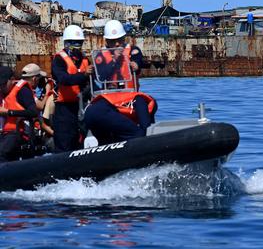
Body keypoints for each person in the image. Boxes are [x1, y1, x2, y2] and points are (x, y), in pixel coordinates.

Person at [83, 20, 156, 145]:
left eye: (119, 40)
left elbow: (138, 61)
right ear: (106, 41)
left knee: (144, 104)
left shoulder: (133, 51)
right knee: (97, 111)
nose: (117, 44)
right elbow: (103, 74)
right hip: (109, 97)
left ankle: (148, 138)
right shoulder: (100, 55)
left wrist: (135, 65)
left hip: (129, 95)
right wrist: (115, 59)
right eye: (112, 41)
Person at [51, 24, 93, 152]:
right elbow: (63, 79)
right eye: (74, 43)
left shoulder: (85, 60)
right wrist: (84, 75)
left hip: (83, 105)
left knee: (82, 138)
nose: (77, 46)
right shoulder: (59, 60)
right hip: (65, 108)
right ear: (67, 43)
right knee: (65, 141)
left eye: (79, 43)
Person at [0, 64, 42, 162]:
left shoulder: (22, 91)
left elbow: (33, 112)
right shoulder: (2, 93)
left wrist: (9, 112)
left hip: (18, 133)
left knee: (2, 152)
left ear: (12, 79)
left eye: (3, 84)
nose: (1, 88)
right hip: (4, 133)